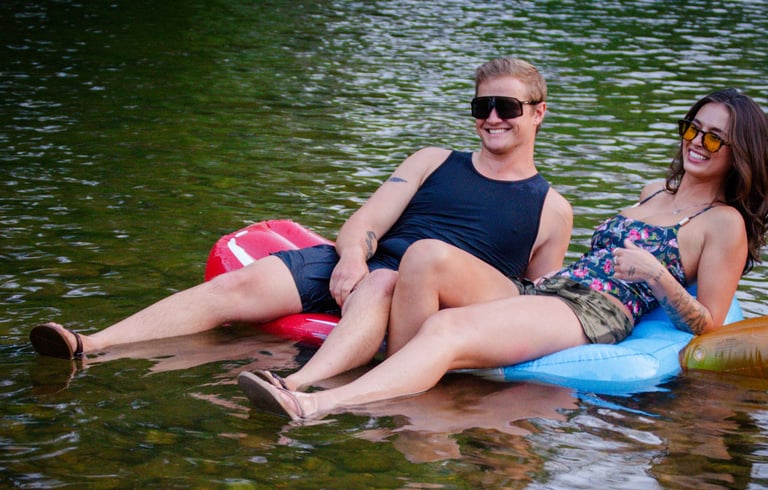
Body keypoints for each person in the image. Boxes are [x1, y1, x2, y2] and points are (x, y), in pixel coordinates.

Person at [29, 57, 573, 392]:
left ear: (538, 112)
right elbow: (367, 219)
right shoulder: (432, 159)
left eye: (506, 106)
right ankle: (91, 343)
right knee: (242, 284)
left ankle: (296, 386)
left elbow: (529, 296)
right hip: (368, 266)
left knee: (390, 277)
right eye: (482, 106)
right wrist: (354, 259)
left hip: (434, 293)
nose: (492, 118)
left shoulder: (551, 207)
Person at [238, 88, 768, 420]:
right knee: (424, 255)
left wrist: (658, 277)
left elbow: (709, 325)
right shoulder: (656, 188)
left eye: (716, 139)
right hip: (554, 289)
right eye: (693, 129)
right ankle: (348, 384)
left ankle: (315, 404)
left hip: (596, 311)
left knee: (444, 331)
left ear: (739, 152)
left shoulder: (725, 225)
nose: (698, 143)